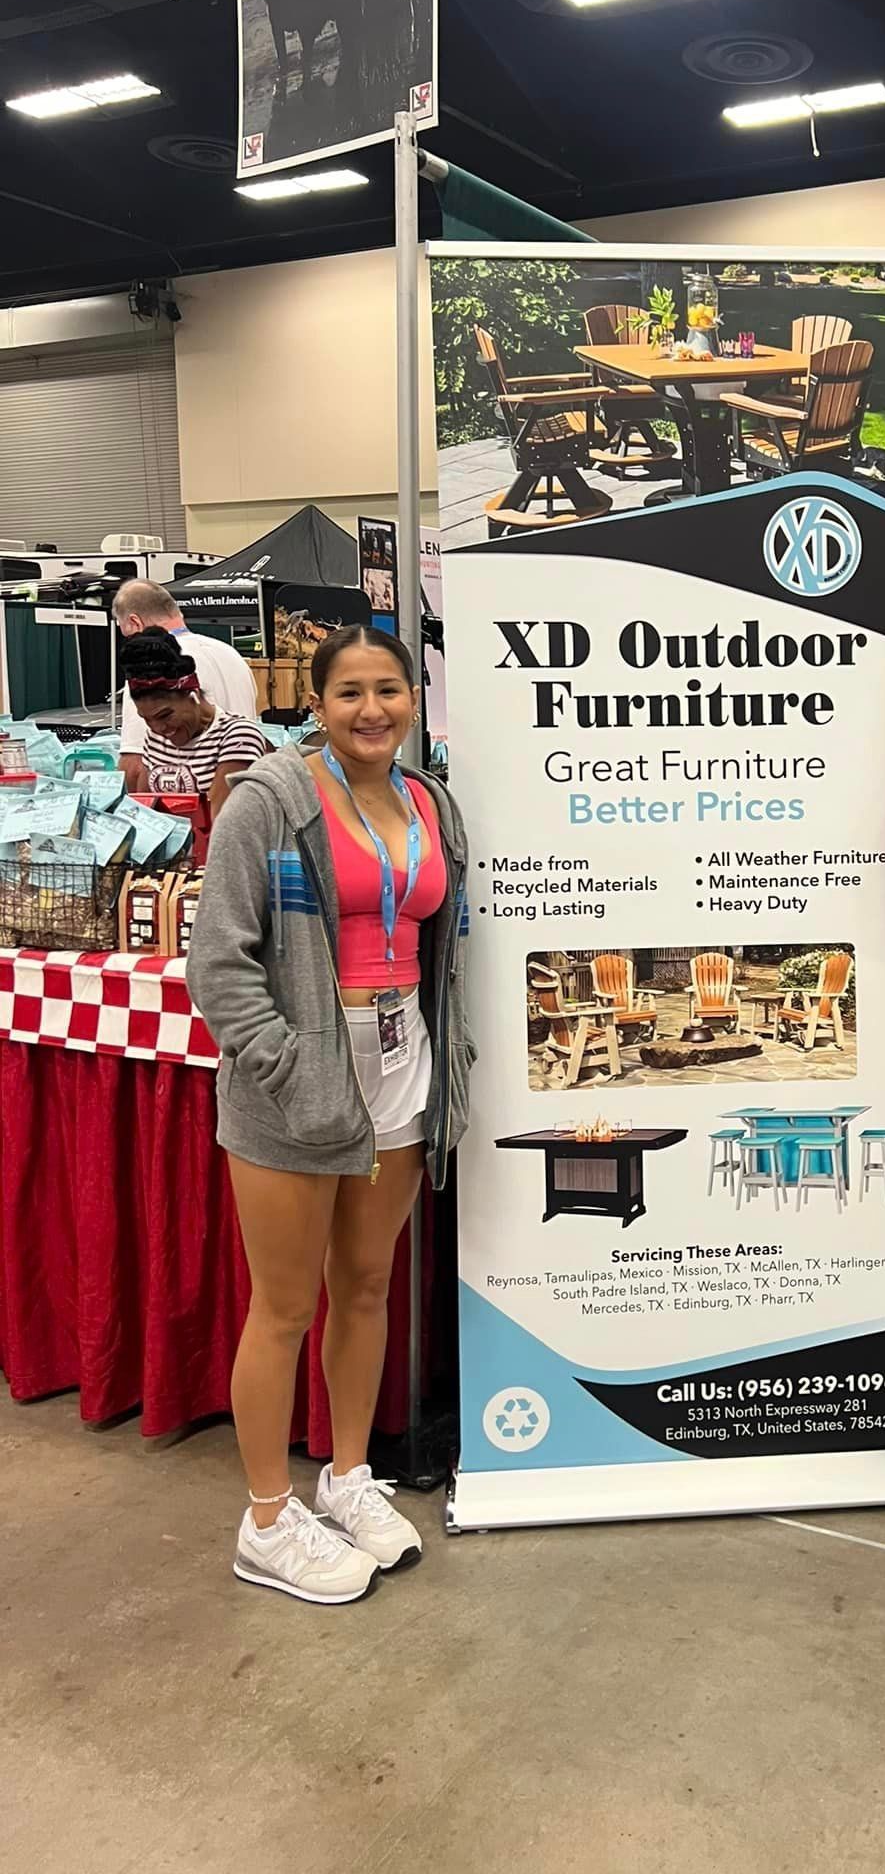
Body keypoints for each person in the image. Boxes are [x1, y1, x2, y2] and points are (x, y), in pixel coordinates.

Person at [187, 626, 473, 1605]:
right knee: (284, 1306)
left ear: (412, 697)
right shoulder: (271, 799)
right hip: (297, 1082)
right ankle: (266, 1519)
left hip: (399, 1072)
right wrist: (285, 1063)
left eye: (388, 688)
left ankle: (347, 1475)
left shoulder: (430, 801)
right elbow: (217, 963)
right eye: (348, 691)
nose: (370, 709)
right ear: (316, 703)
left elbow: (447, 939)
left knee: (364, 1287)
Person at [113, 579, 258, 793]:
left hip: (195, 814)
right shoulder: (231, 654)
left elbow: (135, 766)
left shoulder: (151, 670)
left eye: (126, 635)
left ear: (135, 623)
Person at [119, 628, 269, 820]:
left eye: (165, 715)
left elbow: (220, 819)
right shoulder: (155, 738)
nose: (158, 728)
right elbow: (145, 812)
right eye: (147, 719)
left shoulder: (238, 736)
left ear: (193, 695)